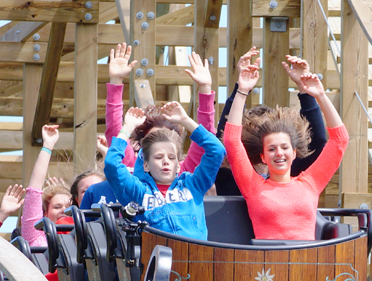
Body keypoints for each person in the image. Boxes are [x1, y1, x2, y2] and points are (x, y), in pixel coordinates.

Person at [224, 55, 349, 241]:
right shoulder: (253, 186)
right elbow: (232, 141)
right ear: (263, 157)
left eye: (284, 147)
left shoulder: (310, 183)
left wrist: (320, 95)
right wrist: (242, 90)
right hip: (268, 266)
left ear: (294, 153)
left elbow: (340, 140)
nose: (279, 153)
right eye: (272, 149)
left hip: (305, 262)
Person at [82, 46, 218, 208]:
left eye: (167, 140)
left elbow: (207, 143)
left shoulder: (182, 172)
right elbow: (115, 131)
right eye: (154, 141)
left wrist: (205, 89)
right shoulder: (132, 169)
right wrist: (116, 81)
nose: (164, 157)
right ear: (142, 149)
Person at [215, 48, 329, 195]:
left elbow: (317, 143)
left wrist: (305, 90)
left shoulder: (288, 169)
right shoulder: (232, 171)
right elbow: (225, 140)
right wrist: (241, 89)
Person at [104, 102, 225, 239]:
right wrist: (127, 128)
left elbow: (217, 150)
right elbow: (111, 164)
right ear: (146, 165)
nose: (166, 161)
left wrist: (185, 121)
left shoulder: (193, 185)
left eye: (171, 157)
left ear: (178, 165)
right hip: (158, 257)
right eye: (158, 157)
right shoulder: (138, 192)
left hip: (196, 256)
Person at [21, 124, 72, 248]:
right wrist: (48, 146)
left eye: (70, 207)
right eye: (57, 206)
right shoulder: (36, 235)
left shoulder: (84, 237)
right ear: (45, 214)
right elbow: (34, 191)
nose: (64, 210)